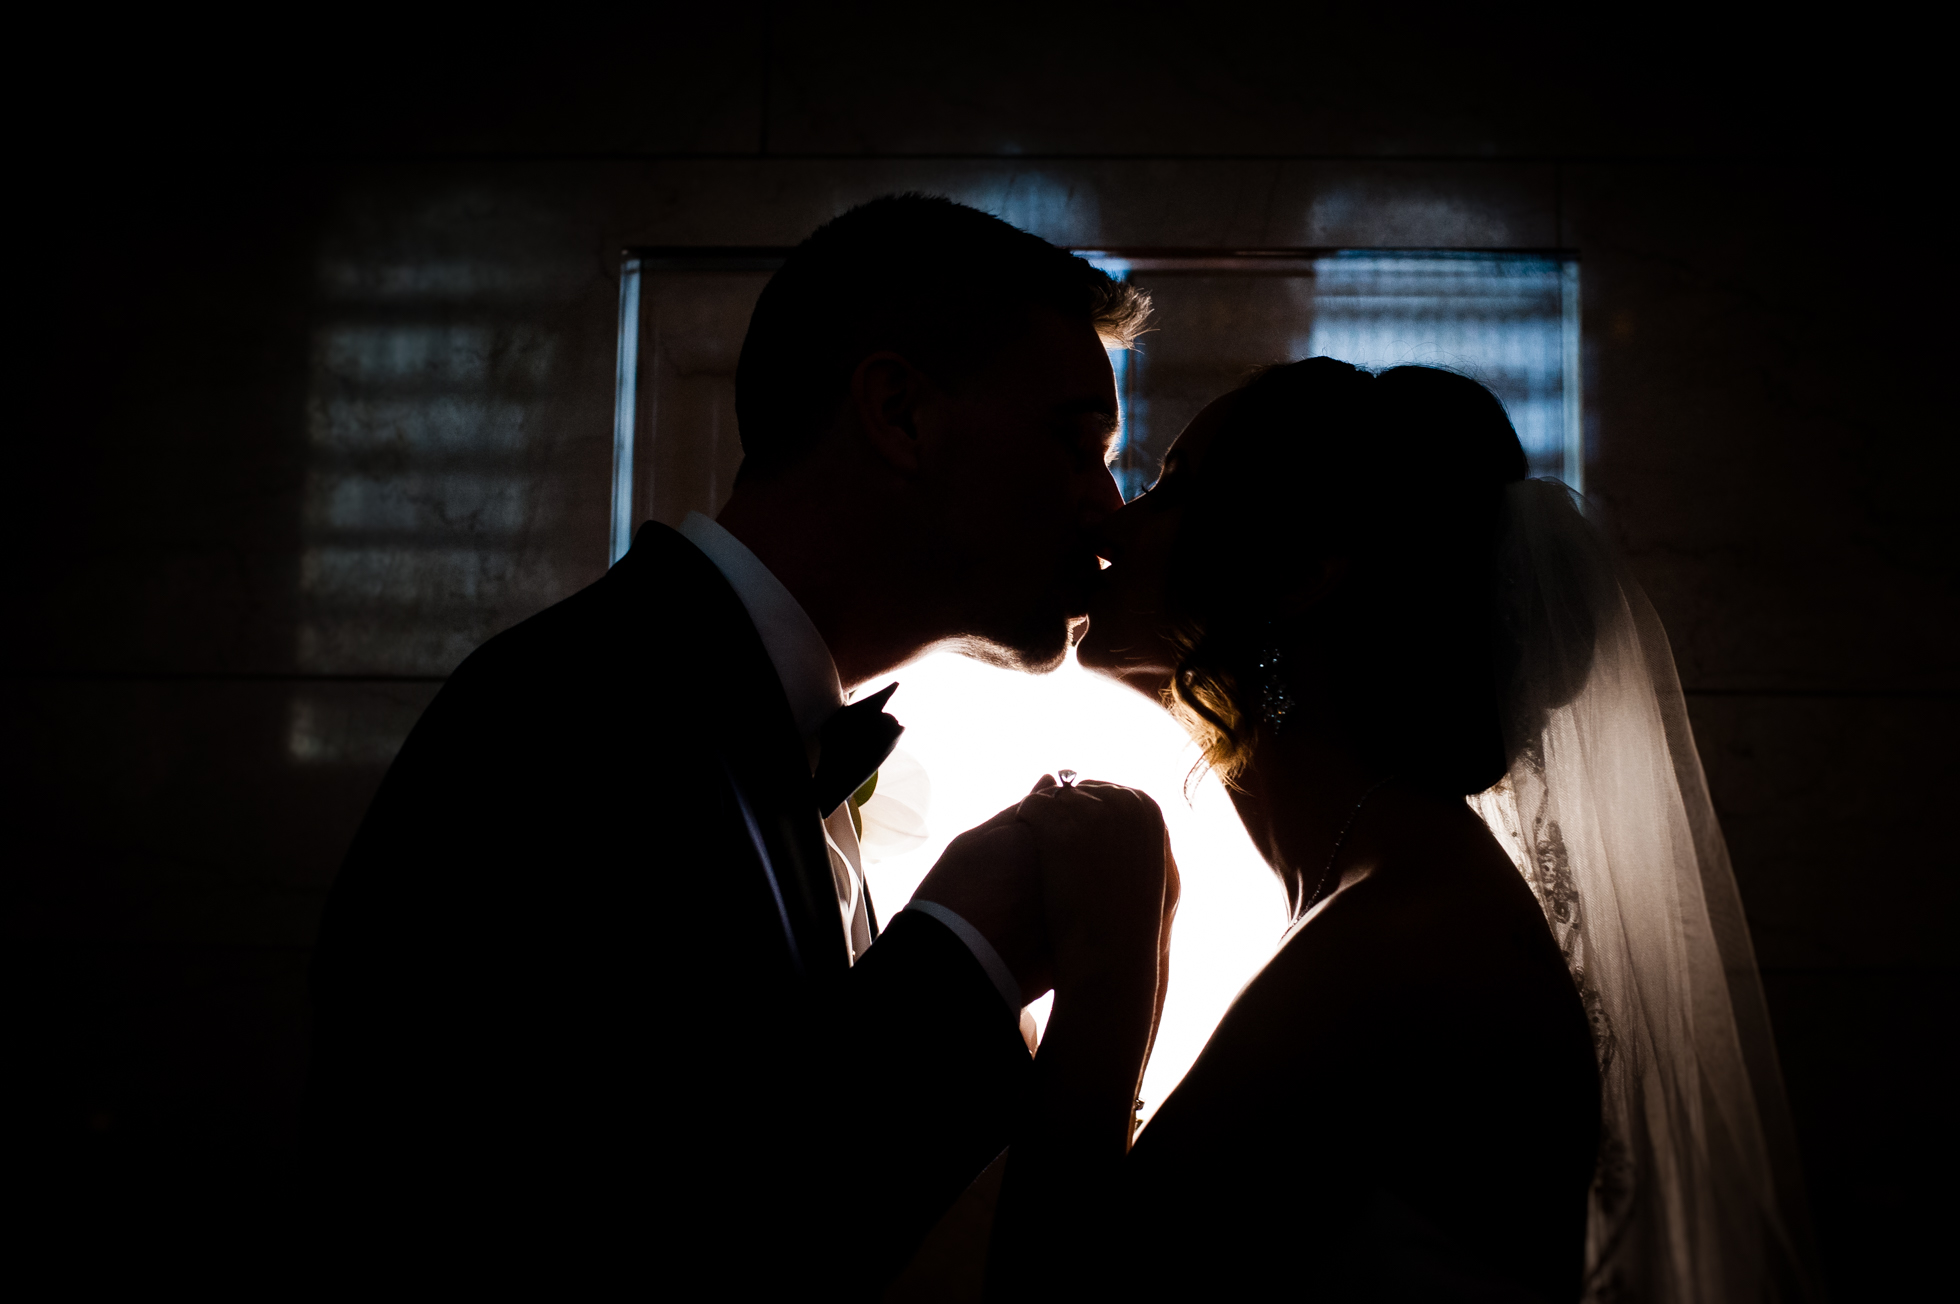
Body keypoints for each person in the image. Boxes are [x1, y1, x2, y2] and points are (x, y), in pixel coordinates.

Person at [303, 194, 1170, 1290]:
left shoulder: (717, 708)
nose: (1105, 505)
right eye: (1075, 441)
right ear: (899, 412)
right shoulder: (579, 721)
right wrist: (963, 951)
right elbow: (671, 1242)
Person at [992, 358, 1820, 1301]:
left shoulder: (1403, 936)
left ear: (1305, 571)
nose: (1111, 522)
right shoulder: (1381, 886)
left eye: (1171, 492)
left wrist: (1112, 960)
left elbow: (1061, 1299)